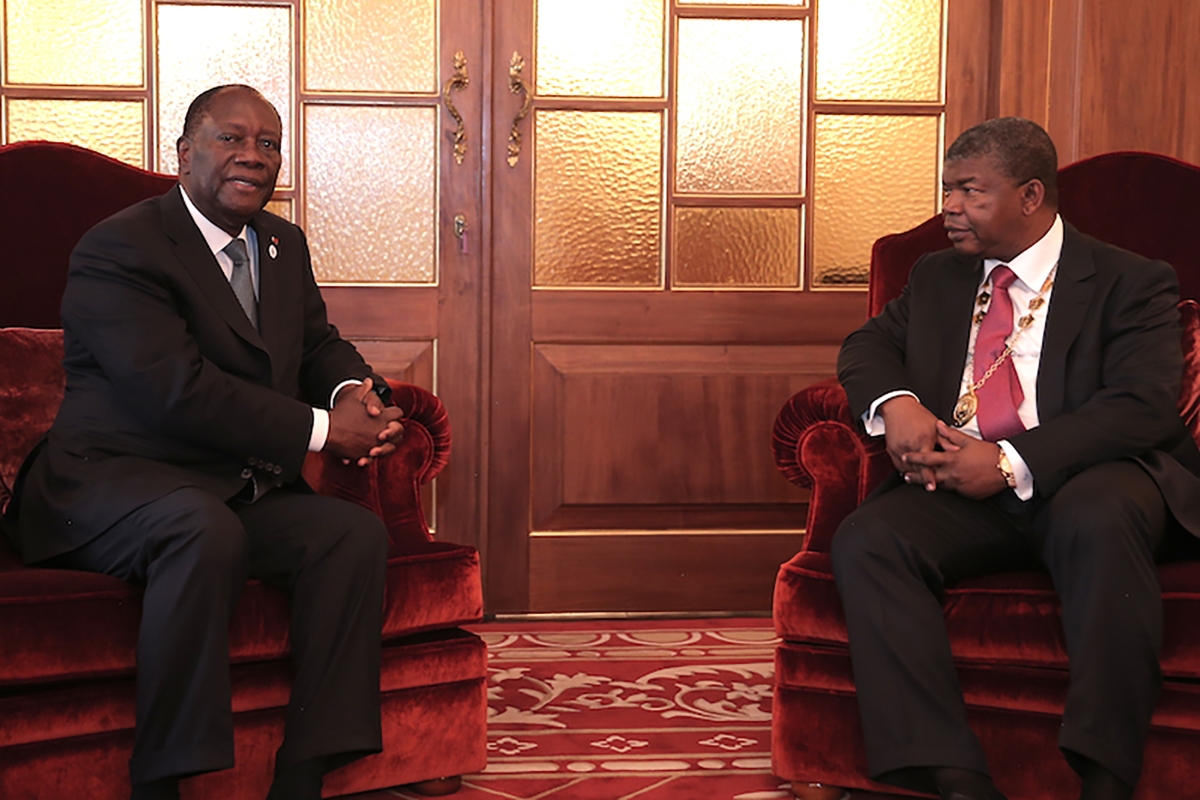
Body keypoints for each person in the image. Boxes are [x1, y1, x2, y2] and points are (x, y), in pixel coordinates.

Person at [3, 84, 405, 800]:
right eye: (232, 138)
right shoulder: (121, 246)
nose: (253, 155)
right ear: (185, 153)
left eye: (269, 143)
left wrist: (356, 394)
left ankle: (305, 772)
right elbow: (175, 391)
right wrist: (322, 430)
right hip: (110, 482)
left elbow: (316, 345)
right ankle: (163, 779)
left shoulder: (281, 244)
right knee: (201, 529)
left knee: (350, 535)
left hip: (226, 482)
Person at [832, 117, 1200, 800]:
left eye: (971, 192)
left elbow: (1142, 406)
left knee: (1099, 517)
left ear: (1030, 196)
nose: (950, 208)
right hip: (962, 485)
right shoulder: (938, 275)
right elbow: (866, 346)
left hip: (1089, 475)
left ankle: (1105, 775)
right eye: (947, 190)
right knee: (869, 539)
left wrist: (1008, 461)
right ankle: (955, 777)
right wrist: (898, 403)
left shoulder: (1129, 279)